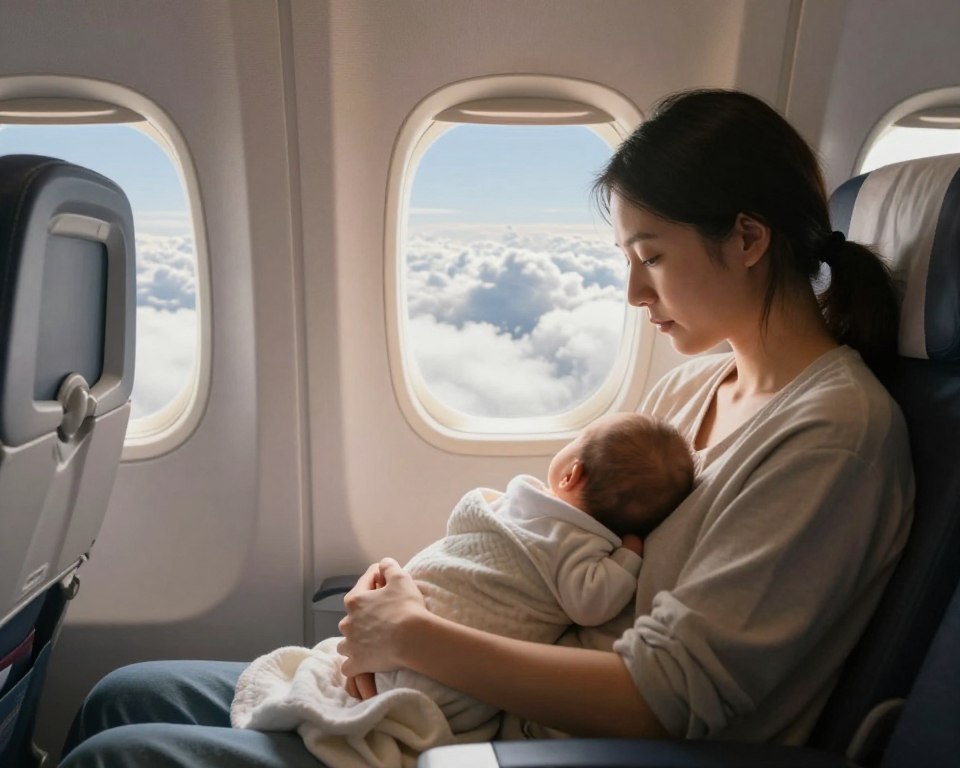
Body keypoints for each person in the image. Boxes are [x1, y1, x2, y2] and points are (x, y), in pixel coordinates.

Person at [59, 88, 913, 767]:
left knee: (123, 755)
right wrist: (411, 595)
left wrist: (416, 634)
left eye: (651, 256)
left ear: (749, 238)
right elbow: (563, 549)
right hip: (498, 702)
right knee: (126, 693)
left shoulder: (834, 438)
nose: (633, 293)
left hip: (560, 749)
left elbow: (666, 701)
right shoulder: (698, 386)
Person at [339, 411, 694, 732]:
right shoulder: (582, 547)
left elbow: (463, 522)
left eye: (575, 441)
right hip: (428, 649)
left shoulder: (529, 508)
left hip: (429, 640)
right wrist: (628, 556)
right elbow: (593, 602)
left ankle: (374, 687)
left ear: (571, 474)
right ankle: (377, 688)